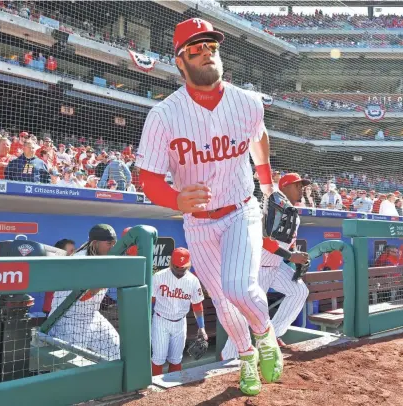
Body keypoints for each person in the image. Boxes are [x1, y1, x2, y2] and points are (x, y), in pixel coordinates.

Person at [136, 18, 281, 396]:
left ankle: (266, 335)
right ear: (180, 61)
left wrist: (267, 184)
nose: (206, 54)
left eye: (211, 47)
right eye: (195, 49)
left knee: (240, 287)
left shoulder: (247, 102)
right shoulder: (164, 115)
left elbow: (258, 136)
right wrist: (173, 198)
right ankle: (246, 356)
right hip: (198, 223)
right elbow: (148, 177)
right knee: (222, 299)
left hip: (240, 209)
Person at [221, 173, 310, 360]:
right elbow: (262, 240)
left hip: (275, 265)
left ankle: (274, 334)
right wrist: (291, 256)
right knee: (248, 313)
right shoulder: (271, 206)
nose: (301, 189)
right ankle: (228, 356)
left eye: (302, 186)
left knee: (299, 291)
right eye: (297, 186)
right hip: (259, 267)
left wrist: (298, 257)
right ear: (284, 187)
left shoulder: (292, 211)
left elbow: (287, 243)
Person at [48, 224, 120, 361]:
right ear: (94, 243)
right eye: (109, 243)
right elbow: (83, 296)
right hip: (68, 319)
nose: (112, 247)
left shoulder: (106, 257)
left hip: (92, 315)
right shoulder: (79, 260)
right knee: (71, 363)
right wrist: (108, 277)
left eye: (114, 243)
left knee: (115, 349)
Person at [151, 248, 207, 376]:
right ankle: (154, 391)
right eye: (176, 267)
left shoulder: (193, 280)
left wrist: (202, 327)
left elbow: (197, 304)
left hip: (180, 322)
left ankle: (172, 389)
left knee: (176, 359)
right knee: (158, 358)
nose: (179, 270)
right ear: (171, 262)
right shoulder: (159, 277)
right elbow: (151, 299)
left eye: (183, 267)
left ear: (188, 265)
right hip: (161, 320)